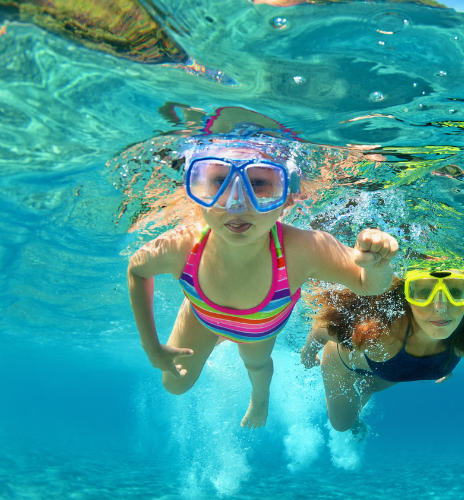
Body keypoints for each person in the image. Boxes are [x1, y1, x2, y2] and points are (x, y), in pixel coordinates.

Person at [127, 132, 398, 429]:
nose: (237, 203)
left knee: (255, 364)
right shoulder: (182, 246)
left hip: (258, 328)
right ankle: (211, 327)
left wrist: (377, 264)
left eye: (258, 183)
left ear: (287, 197)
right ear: (198, 189)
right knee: (173, 384)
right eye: (219, 181)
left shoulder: (301, 250)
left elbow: (369, 284)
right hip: (202, 316)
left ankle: (260, 400)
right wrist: (151, 347)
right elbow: (137, 270)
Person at [301, 268, 464, 432]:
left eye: (455, 292)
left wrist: (448, 362)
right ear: (407, 296)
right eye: (423, 292)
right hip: (345, 366)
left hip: (388, 369)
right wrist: (308, 354)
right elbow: (321, 329)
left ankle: (365, 390)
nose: (440, 308)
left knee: (368, 388)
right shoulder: (379, 332)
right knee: (342, 425)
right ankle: (355, 420)